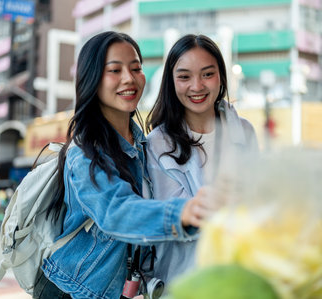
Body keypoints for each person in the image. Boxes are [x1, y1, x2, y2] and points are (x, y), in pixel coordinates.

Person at [33, 31, 212, 299]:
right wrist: (183, 213)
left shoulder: (140, 142)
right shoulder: (85, 153)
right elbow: (117, 211)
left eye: (136, 68)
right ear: (93, 79)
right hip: (73, 289)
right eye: (114, 70)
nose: (129, 78)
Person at [146, 34, 259, 285]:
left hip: (240, 278)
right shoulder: (157, 143)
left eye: (207, 74)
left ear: (221, 76)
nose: (197, 86)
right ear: (171, 82)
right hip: (184, 281)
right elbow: (169, 218)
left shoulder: (244, 132)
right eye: (184, 77)